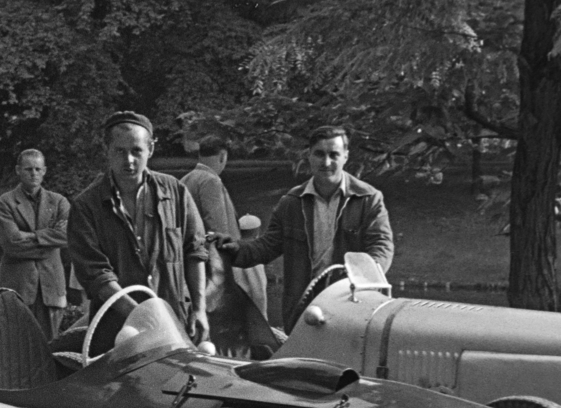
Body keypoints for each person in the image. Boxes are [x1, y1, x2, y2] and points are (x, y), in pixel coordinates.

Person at [216, 125, 394, 330]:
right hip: (303, 311)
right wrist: (235, 248)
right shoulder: (291, 202)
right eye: (319, 154)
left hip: (352, 309)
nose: (326, 162)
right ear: (309, 156)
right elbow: (266, 246)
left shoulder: (369, 199)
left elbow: (381, 249)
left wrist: (360, 278)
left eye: (334, 154)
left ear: (346, 156)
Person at [68, 111, 209, 347]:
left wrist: (200, 308)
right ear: (107, 151)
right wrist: (144, 319)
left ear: (150, 150)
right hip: (117, 337)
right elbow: (97, 276)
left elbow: (195, 251)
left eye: (136, 151)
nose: (129, 160)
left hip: (177, 330)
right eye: (120, 151)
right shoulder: (85, 207)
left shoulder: (175, 192)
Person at [181, 136, 275, 358]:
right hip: (216, 271)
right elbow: (218, 232)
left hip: (191, 267)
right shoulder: (210, 181)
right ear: (223, 157)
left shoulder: (184, 180)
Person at [0, 149, 71, 340]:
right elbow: (11, 244)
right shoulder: (5, 202)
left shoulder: (59, 202)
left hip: (51, 287)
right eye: (28, 169)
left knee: (51, 345)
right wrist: (49, 243)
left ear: (44, 171)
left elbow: (68, 236)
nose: (33, 173)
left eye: (38, 169)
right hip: (18, 285)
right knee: (16, 346)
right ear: (18, 170)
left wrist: (30, 236)